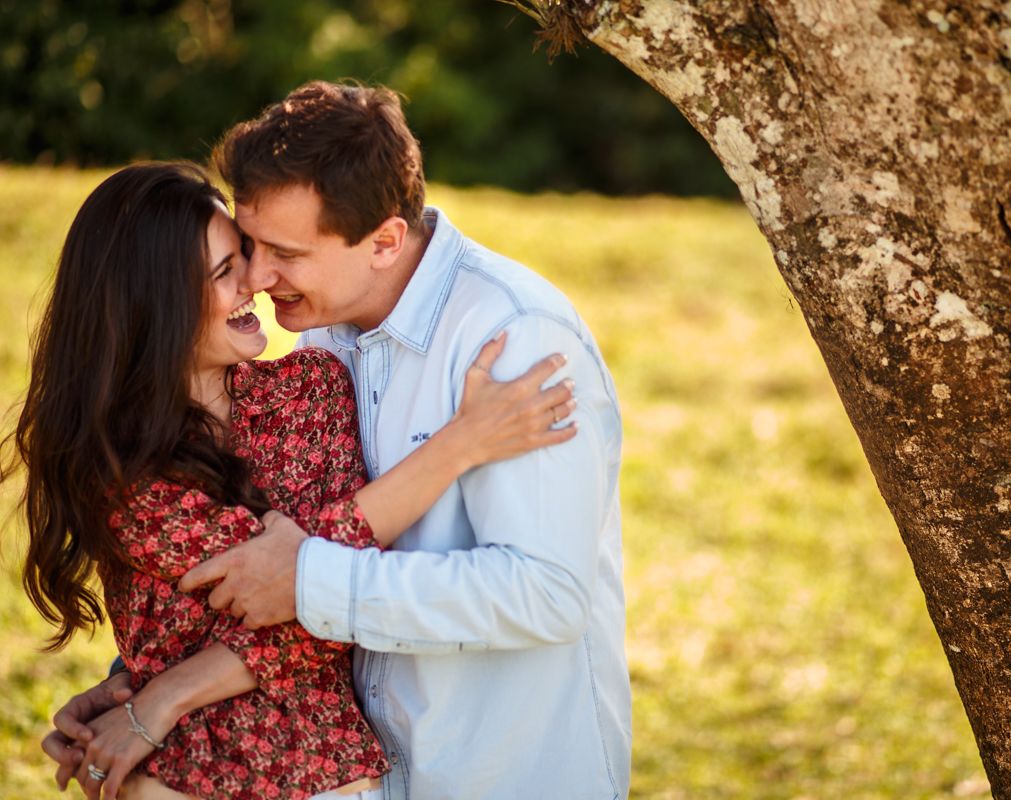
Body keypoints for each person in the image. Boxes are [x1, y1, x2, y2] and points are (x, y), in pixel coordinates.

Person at [49, 81, 633, 800]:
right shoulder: (315, 332)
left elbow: (548, 594)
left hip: (488, 774)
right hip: (341, 770)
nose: (260, 280)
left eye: (283, 253)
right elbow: (221, 565)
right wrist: (140, 689)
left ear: (384, 241)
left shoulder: (515, 343)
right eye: (248, 247)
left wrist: (307, 581)